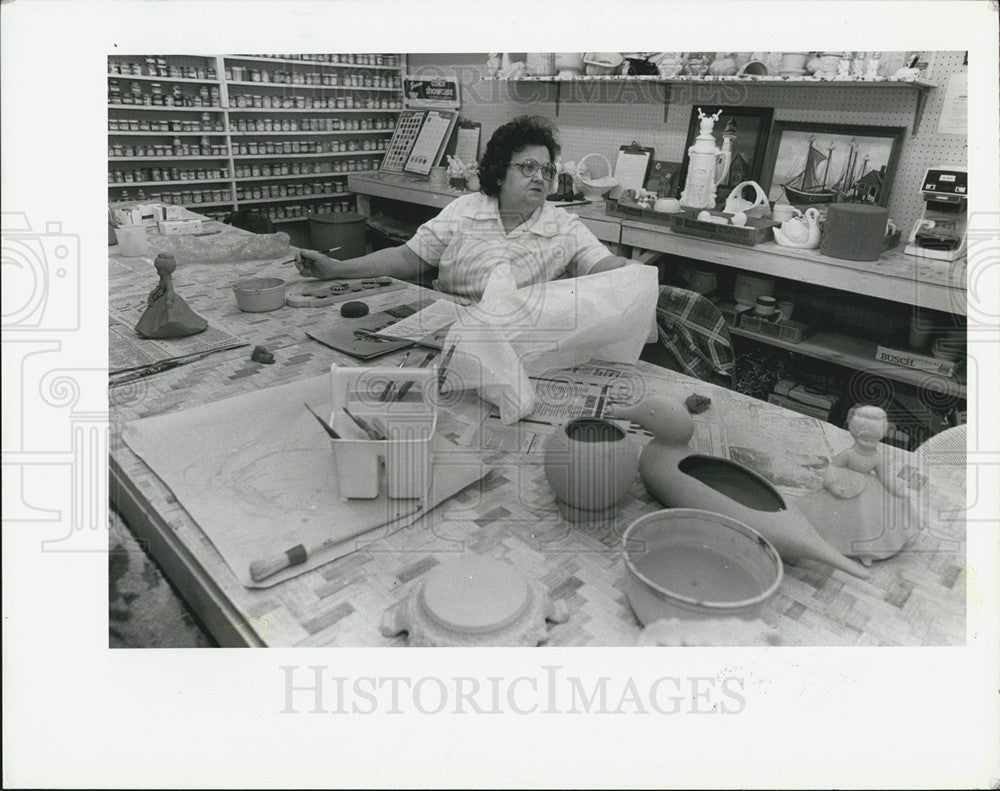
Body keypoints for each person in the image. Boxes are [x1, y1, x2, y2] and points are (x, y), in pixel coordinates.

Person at [295, 115, 629, 302]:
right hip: (448, 325)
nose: (540, 177)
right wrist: (336, 269)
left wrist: (637, 276)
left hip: (513, 337)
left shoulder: (564, 227)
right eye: (528, 167)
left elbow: (602, 264)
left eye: (547, 170)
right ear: (499, 172)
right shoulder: (466, 211)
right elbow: (405, 258)